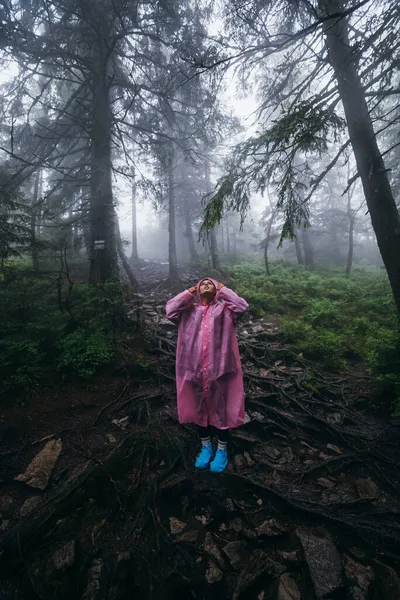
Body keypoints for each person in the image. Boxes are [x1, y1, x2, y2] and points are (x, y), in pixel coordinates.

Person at [165, 278, 248, 473]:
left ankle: (221, 450)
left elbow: (242, 306)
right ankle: (205, 448)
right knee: (198, 409)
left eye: (211, 283)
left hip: (220, 370)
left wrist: (223, 289)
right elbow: (170, 310)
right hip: (193, 369)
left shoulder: (225, 311)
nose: (206, 285)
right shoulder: (189, 312)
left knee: (222, 410)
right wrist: (189, 291)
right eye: (202, 284)